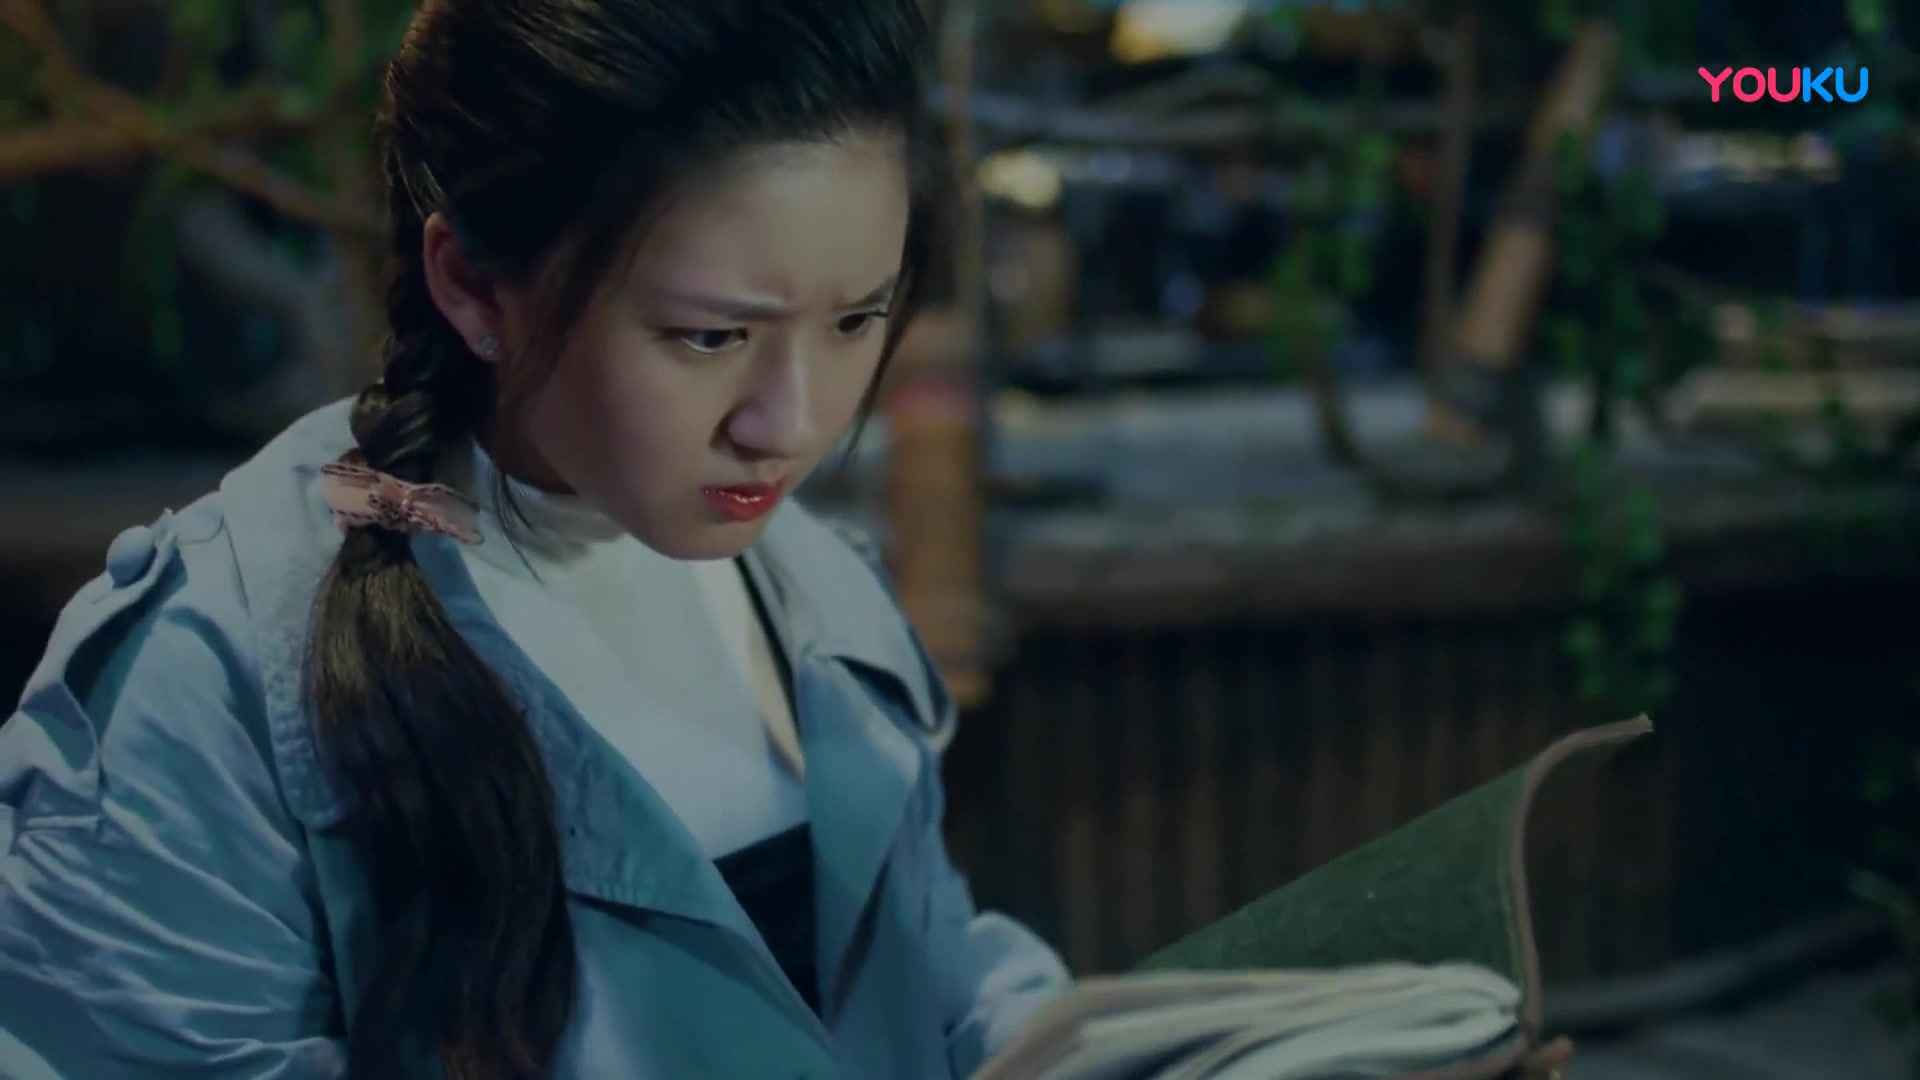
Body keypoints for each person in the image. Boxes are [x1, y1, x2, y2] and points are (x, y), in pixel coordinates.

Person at [0, 1, 1070, 1076]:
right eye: (711, 335)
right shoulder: (212, 675)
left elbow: (925, 973)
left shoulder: (814, 586)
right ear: (474, 286)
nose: (789, 424)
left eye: (855, 321)